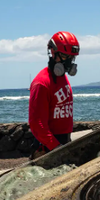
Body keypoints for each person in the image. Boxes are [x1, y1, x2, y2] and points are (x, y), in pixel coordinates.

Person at [28, 31, 79, 159]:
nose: (68, 61)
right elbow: (37, 123)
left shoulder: (62, 78)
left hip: (64, 142)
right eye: (64, 55)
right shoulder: (41, 83)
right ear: (53, 53)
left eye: (71, 57)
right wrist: (56, 148)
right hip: (47, 149)